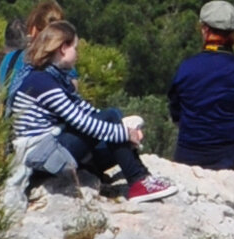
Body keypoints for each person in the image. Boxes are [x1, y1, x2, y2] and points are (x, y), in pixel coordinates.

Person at [12, 23, 173, 202]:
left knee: (113, 119)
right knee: (111, 118)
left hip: (51, 149)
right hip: (42, 156)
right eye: (75, 47)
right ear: (63, 48)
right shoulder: (42, 82)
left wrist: (123, 132)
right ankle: (138, 181)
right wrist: (124, 133)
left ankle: (140, 178)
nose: (77, 54)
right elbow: (81, 121)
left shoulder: (50, 76)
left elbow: (86, 110)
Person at [169, 0, 234, 172]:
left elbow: (176, 114)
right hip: (233, 160)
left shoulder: (186, 68)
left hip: (188, 159)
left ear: (204, 30)